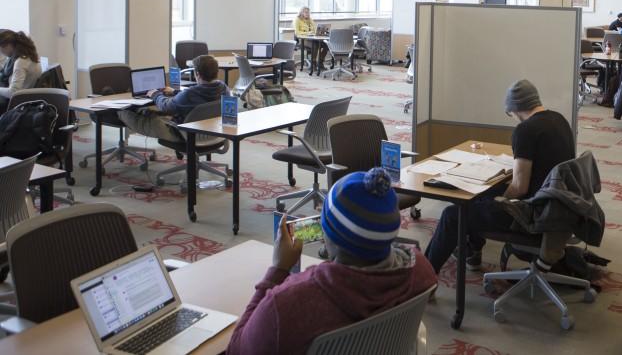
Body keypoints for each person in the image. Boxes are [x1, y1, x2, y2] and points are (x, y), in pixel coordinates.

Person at [227, 167, 437, 354]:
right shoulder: (421, 270)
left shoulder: (286, 306)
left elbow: (237, 349)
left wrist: (278, 269)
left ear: (328, 235)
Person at [424, 80, 575, 273]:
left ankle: (425, 278)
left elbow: (519, 187)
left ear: (515, 109)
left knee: (453, 214)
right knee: (479, 195)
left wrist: (497, 200)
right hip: (556, 207)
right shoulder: (558, 120)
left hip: (531, 214)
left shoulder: (526, 130)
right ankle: (472, 251)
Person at [118, 55, 229, 140]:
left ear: (198, 74)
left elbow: (166, 106)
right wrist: (176, 92)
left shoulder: (189, 94)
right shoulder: (224, 88)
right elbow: (194, 97)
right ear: (217, 72)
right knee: (147, 111)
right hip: (212, 133)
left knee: (123, 112)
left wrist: (155, 94)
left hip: (182, 134)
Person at [0, 30, 42, 109]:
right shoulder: (28, 55)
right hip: (23, 100)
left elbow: (13, 92)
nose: (1, 52)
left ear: (8, 45)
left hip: (18, 105)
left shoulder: (21, 62)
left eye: (1, 48)